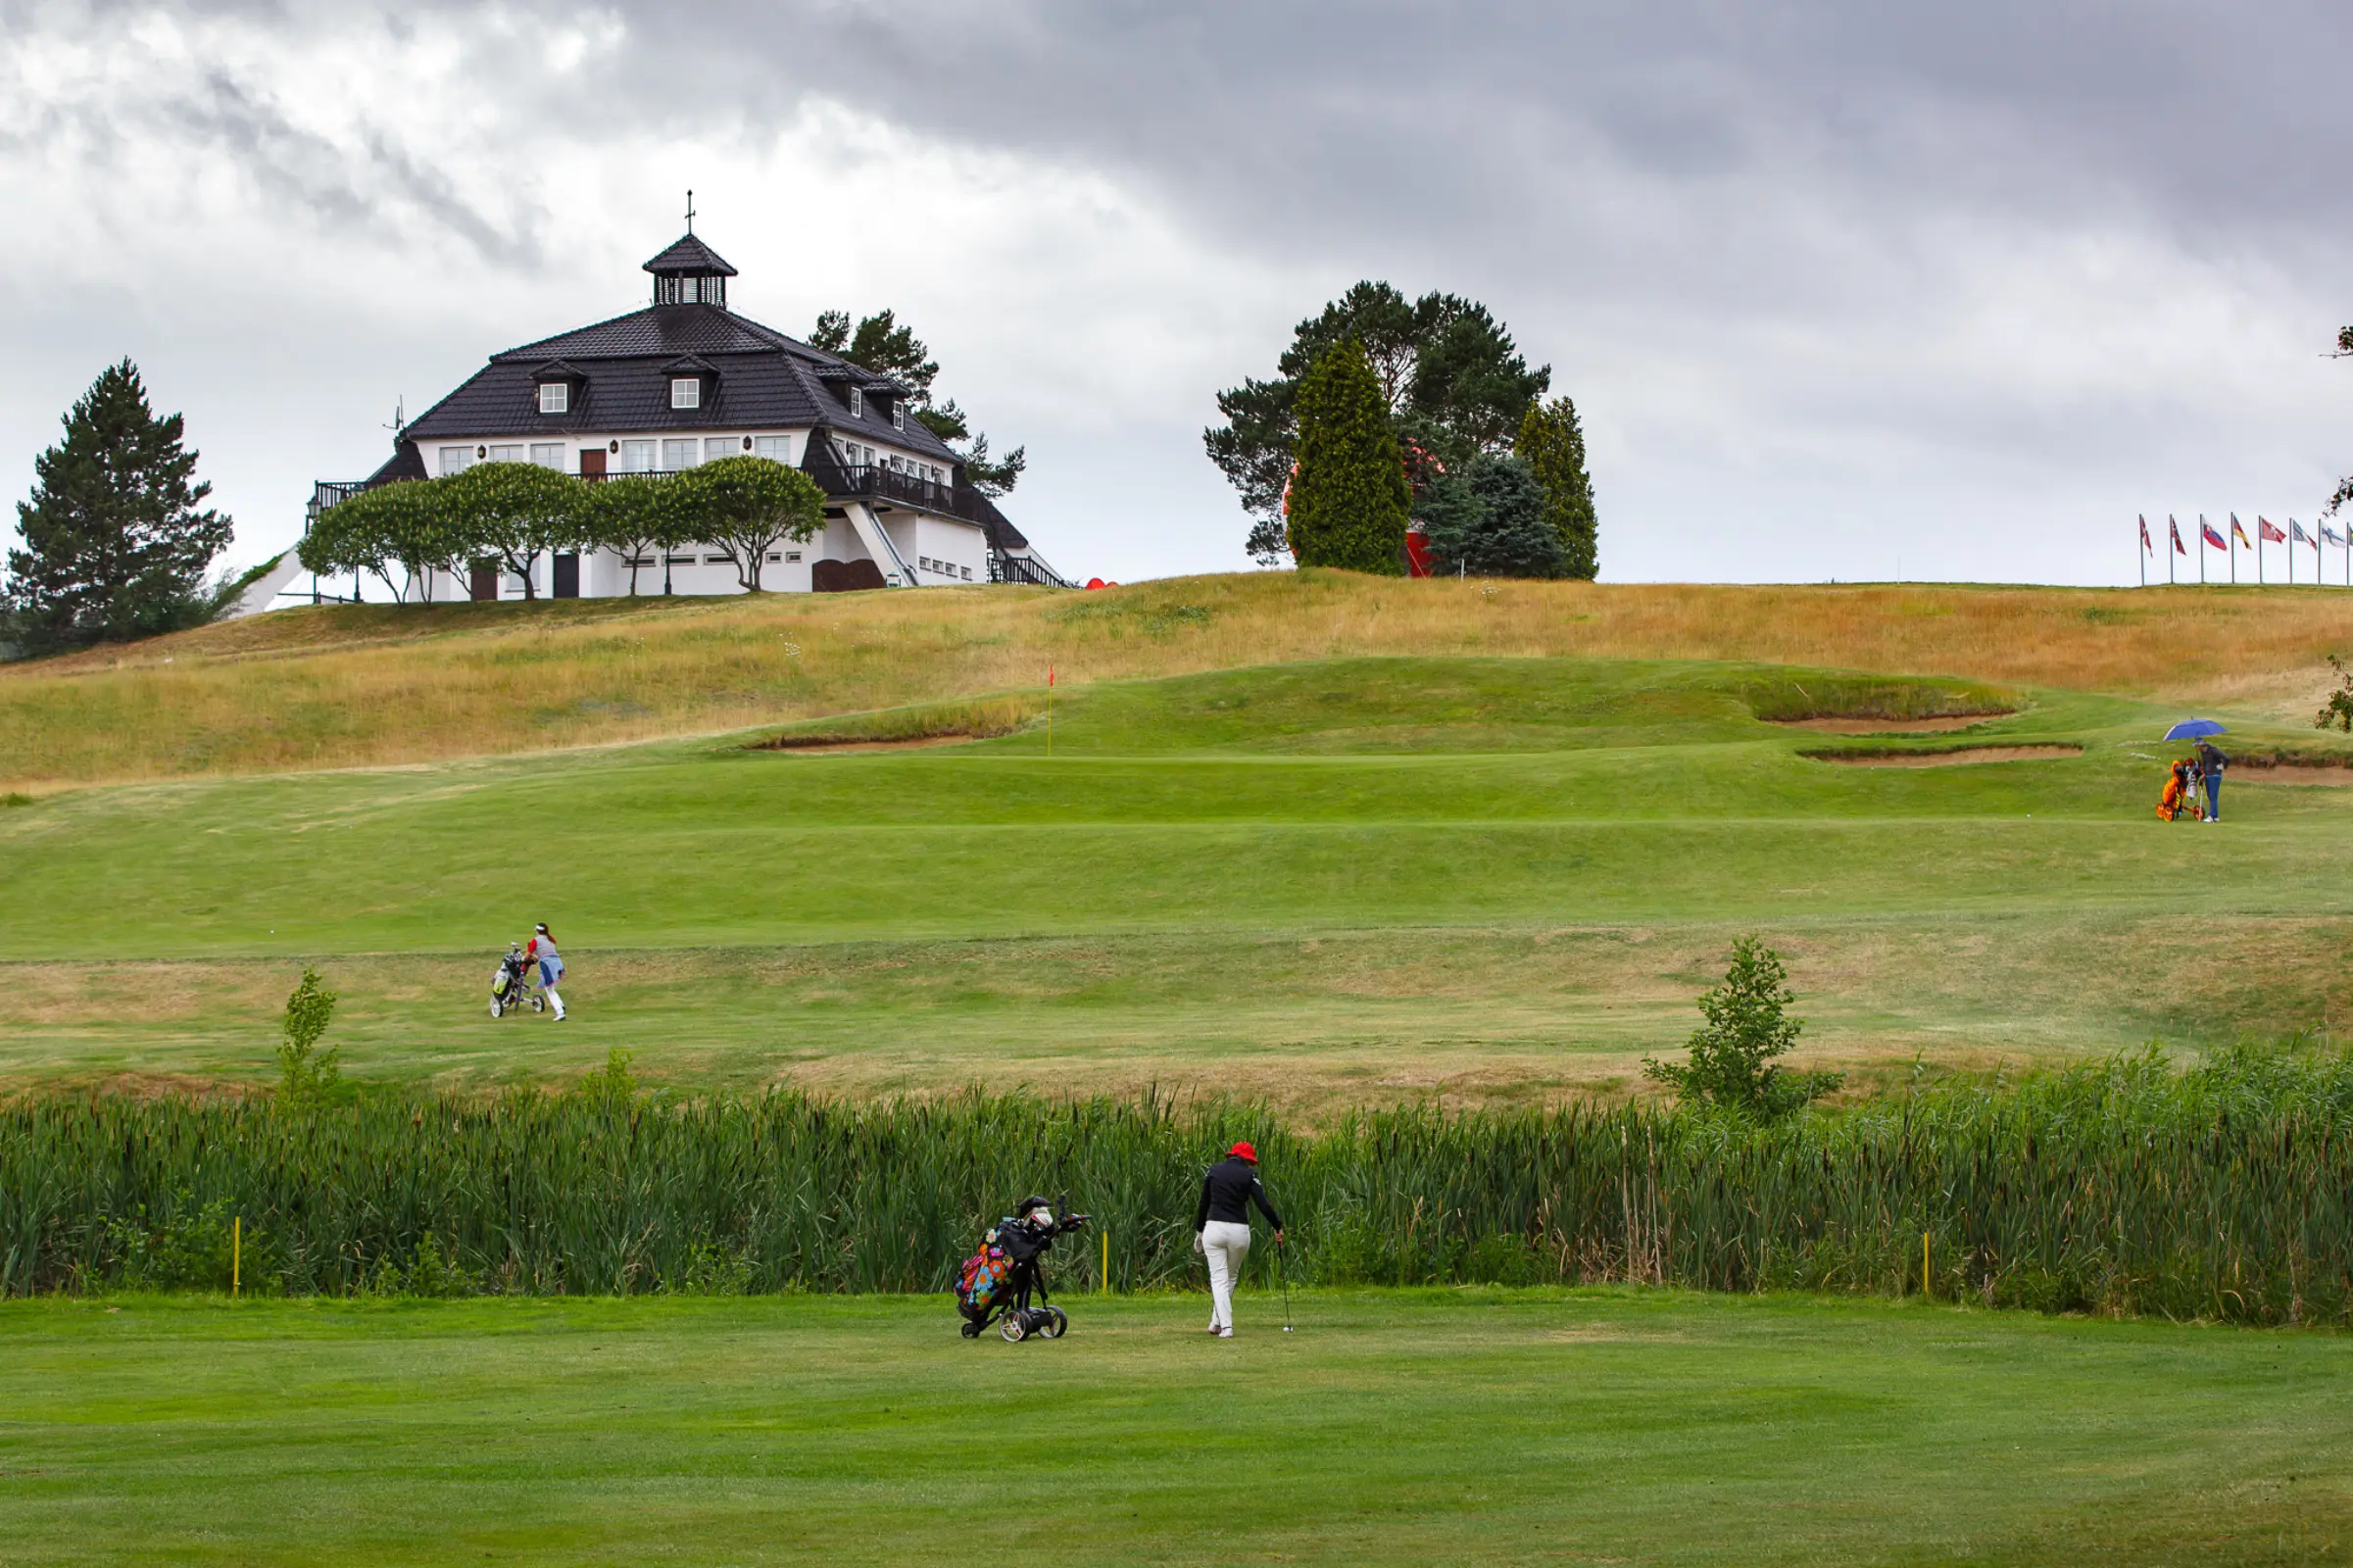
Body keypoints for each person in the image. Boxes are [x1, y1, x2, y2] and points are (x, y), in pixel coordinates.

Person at [1193, 1140, 1283, 1338]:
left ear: (1232, 1155)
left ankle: (1225, 1326)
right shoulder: (1249, 1175)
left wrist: (1199, 1231)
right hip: (1239, 1233)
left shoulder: (1213, 1171)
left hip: (1214, 1228)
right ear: (1247, 1160)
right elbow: (1264, 1205)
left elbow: (1203, 1202)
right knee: (1230, 1278)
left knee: (1218, 1279)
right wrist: (1277, 1226)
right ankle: (1217, 1324)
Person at [524, 922, 566, 1020]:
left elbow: (527, 956)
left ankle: (560, 1013)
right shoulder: (551, 939)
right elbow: (544, 954)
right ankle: (561, 1007)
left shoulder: (535, 940)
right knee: (552, 989)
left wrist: (525, 958)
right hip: (557, 963)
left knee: (549, 990)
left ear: (537, 931)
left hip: (548, 965)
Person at [2195, 738, 2230, 823]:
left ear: (2200, 745)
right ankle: (2215, 816)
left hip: (2215, 775)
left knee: (2213, 796)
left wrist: (2222, 768)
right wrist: (2203, 774)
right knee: (2211, 796)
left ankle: (2211, 816)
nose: (2196, 747)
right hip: (2208, 776)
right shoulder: (2203, 753)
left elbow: (2226, 758)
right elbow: (2205, 764)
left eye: (2196, 745)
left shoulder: (2213, 750)